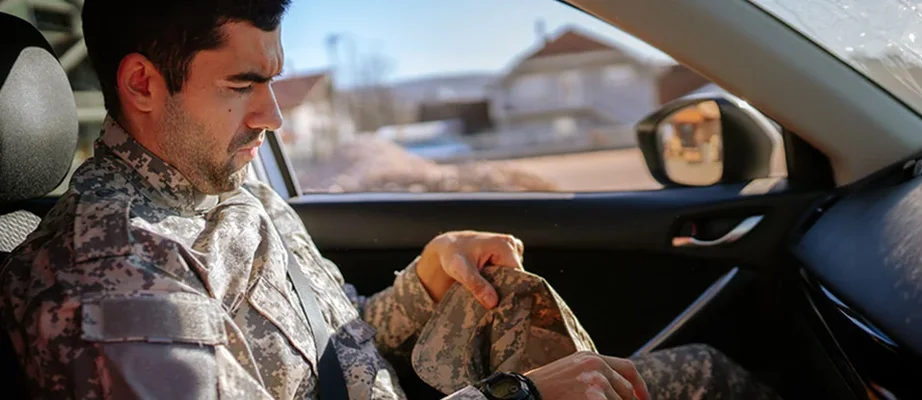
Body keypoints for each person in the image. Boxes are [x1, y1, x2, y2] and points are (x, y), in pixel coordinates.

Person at [0, 1, 781, 399]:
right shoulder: (111, 279)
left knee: (706, 369)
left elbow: (331, 349)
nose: (273, 115)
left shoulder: (223, 188)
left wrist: (430, 279)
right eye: (243, 85)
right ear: (142, 85)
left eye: (272, 79)